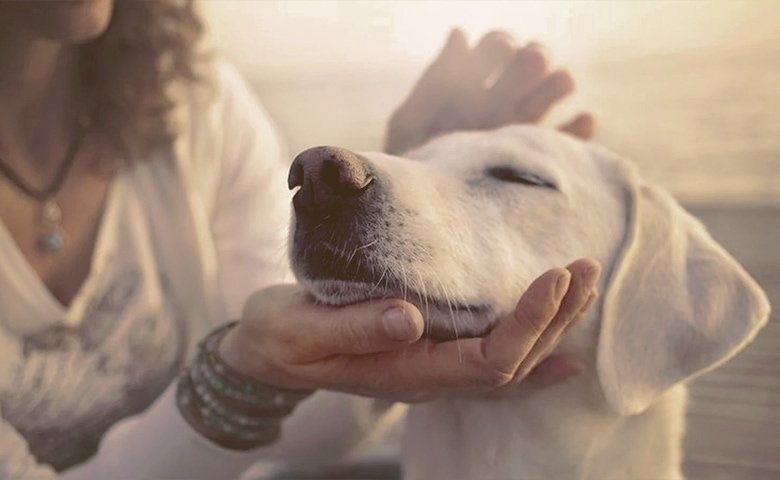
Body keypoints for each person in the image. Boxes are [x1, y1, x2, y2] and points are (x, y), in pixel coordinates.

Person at [0, 1, 601, 478]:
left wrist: (410, 206)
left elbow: (307, 430)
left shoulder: (191, 101)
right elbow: (266, 378)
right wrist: (245, 372)